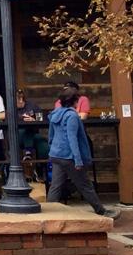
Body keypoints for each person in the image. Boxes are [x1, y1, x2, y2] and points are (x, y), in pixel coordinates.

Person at [47, 88, 120, 219]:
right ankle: (101, 211)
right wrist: (78, 160)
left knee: (55, 186)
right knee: (85, 185)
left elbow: (51, 135)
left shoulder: (55, 113)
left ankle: (49, 213)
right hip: (69, 156)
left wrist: (52, 148)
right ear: (74, 101)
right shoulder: (72, 116)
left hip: (56, 154)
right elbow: (72, 139)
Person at [16, 90, 49, 179]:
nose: (19, 102)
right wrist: (22, 120)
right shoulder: (11, 109)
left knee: (43, 144)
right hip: (18, 137)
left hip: (33, 136)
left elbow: (42, 118)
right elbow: (7, 119)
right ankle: (28, 153)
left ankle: (41, 169)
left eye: (20, 99)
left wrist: (33, 119)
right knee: (26, 129)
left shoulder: (32, 106)